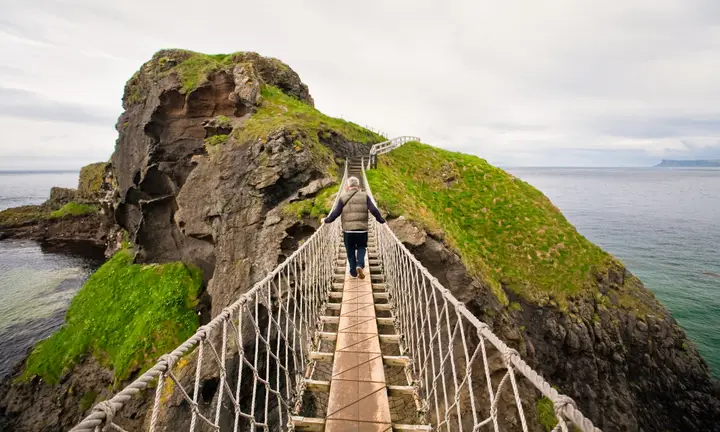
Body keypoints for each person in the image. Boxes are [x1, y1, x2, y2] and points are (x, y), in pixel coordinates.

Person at [323, 176, 386, 279]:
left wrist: (326, 220)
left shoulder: (343, 198)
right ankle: (360, 265)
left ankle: (353, 272)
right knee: (362, 247)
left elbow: (336, 213)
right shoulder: (365, 196)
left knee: (350, 250)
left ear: (347, 186)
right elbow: (374, 210)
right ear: (358, 186)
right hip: (362, 230)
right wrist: (381, 220)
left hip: (348, 231)